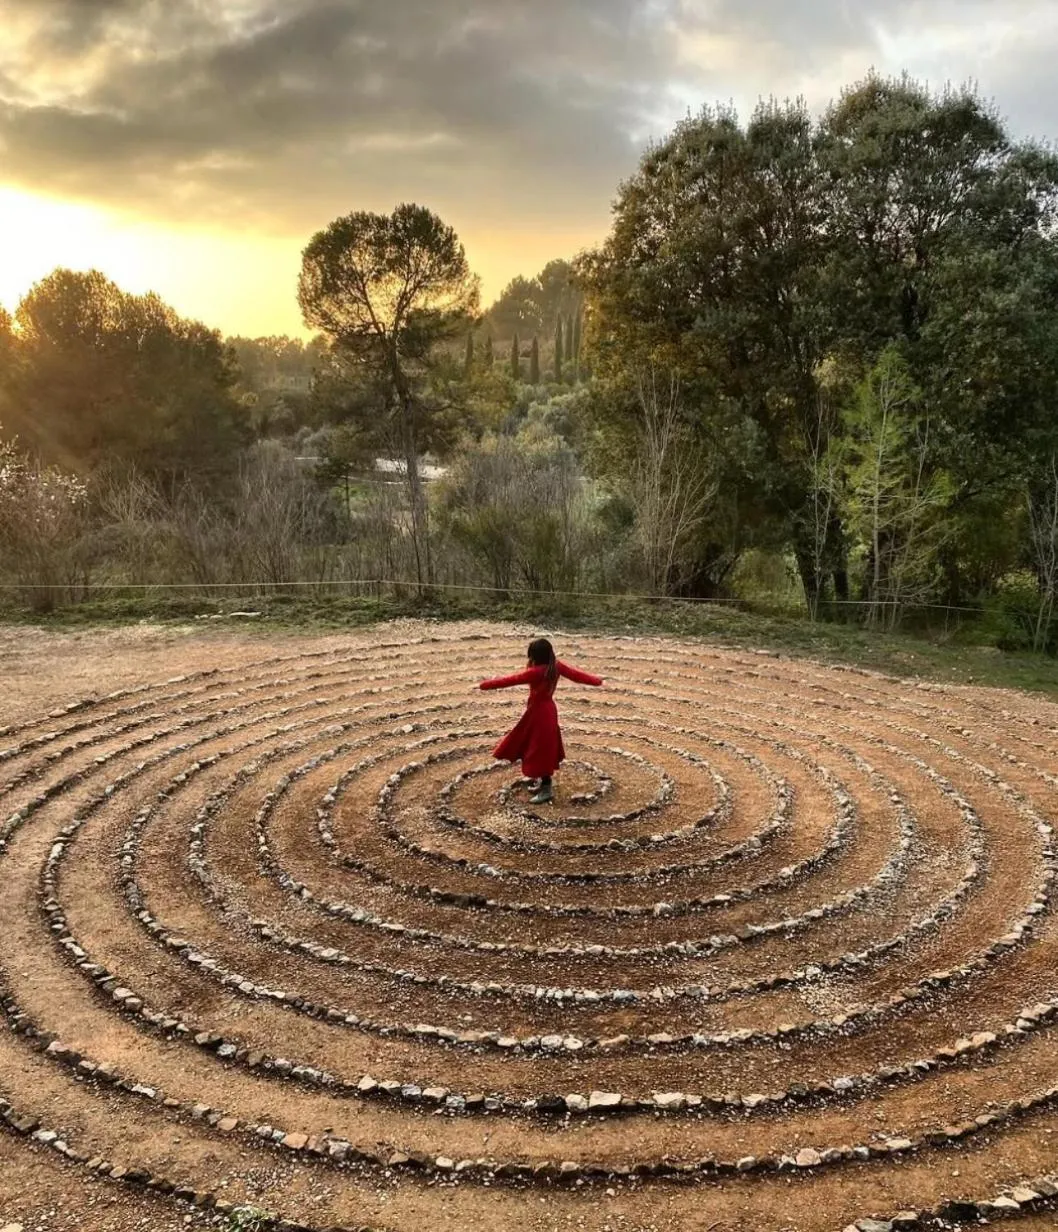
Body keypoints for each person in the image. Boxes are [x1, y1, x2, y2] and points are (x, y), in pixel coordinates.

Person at [479, 638, 603, 804]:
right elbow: (576, 675)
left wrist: (483, 685)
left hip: (539, 714)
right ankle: (543, 784)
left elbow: (510, 680)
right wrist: (598, 681)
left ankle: (546, 789)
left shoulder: (536, 672)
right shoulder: (556, 666)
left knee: (539, 750)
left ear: (535, 656)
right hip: (547, 711)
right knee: (539, 747)